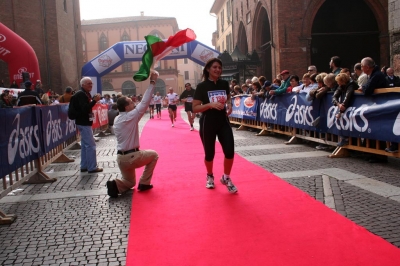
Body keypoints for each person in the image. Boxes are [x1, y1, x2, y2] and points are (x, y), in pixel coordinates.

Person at [106, 72, 159, 198]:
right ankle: (144, 182)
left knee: (130, 182)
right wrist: (152, 82)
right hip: (132, 156)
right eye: (131, 102)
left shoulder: (118, 119)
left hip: (120, 158)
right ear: (126, 107)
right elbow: (145, 102)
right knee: (154, 155)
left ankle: (115, 184)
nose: (133, 103)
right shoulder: (131, 116)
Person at [192, 58, 237, 194]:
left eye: (219, 67)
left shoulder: (224, 83)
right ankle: (210, 175)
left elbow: (228, 98)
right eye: (215, 67)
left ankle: (226, 177)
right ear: (208, 69)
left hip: (223, 121)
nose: (218, 70)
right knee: (209, 154)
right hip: (207, 122)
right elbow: (194, 108)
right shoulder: (202, 86)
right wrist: (210, 105)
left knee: (229, 151)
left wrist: (229, 105)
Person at [71, 77, 103, 173]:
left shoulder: (84, 94)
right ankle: (92, 167)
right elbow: (85, 108)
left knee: (85, 145)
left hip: (83, 121)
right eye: (89, 83)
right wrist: (94, 101)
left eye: (91, 83)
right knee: (90, 145)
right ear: (83, 84)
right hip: (83, 122)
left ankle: (84, 165)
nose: (91, 85)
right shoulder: (81, 94)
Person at [333, 73, 357, 147]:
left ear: (343, 81)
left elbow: (348, 97)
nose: (338, 83)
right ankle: (344, 138)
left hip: (353, 106)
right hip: (345, 106)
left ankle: (348, 140)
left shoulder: (351, 85)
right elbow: (334, 96)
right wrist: (338, 104)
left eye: (338, 81)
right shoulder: (341, 86)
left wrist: (341, 110)